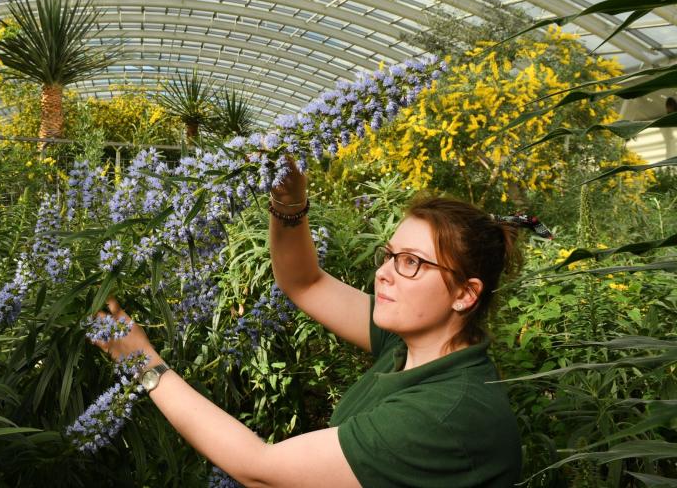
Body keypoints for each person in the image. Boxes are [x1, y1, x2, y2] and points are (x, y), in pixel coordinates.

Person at [93, 158, 527, 487]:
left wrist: (143, 364)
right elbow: (305, 282)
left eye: (411, 263)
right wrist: (289, 205)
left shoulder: (442, 417)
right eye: (391, 255)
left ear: (465, 294)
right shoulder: (411, 345)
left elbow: (258, 470)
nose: (384, 273)